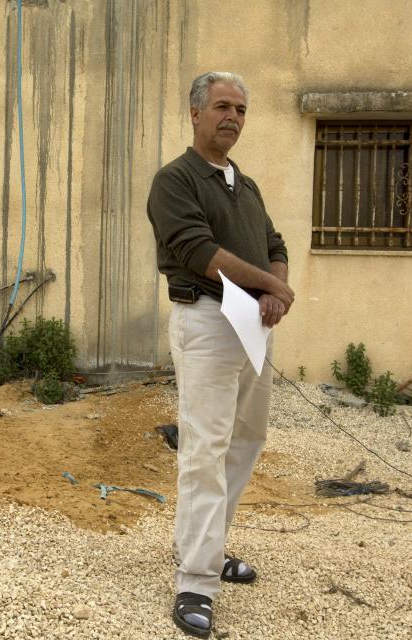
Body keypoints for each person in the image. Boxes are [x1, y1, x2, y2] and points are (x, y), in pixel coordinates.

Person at [146, 71, 294, 638]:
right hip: (207, 322)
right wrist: (271, 288)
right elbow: (197, 250)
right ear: (195, 113)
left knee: (245, 440)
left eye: (240, 109)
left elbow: (274, 244)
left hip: (253, 325)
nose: (232, 116)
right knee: (204, 449)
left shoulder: (245, 185)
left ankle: (203, 547)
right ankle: (196, 581)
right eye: (222, 106)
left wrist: (272, 290)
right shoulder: (175, 180)